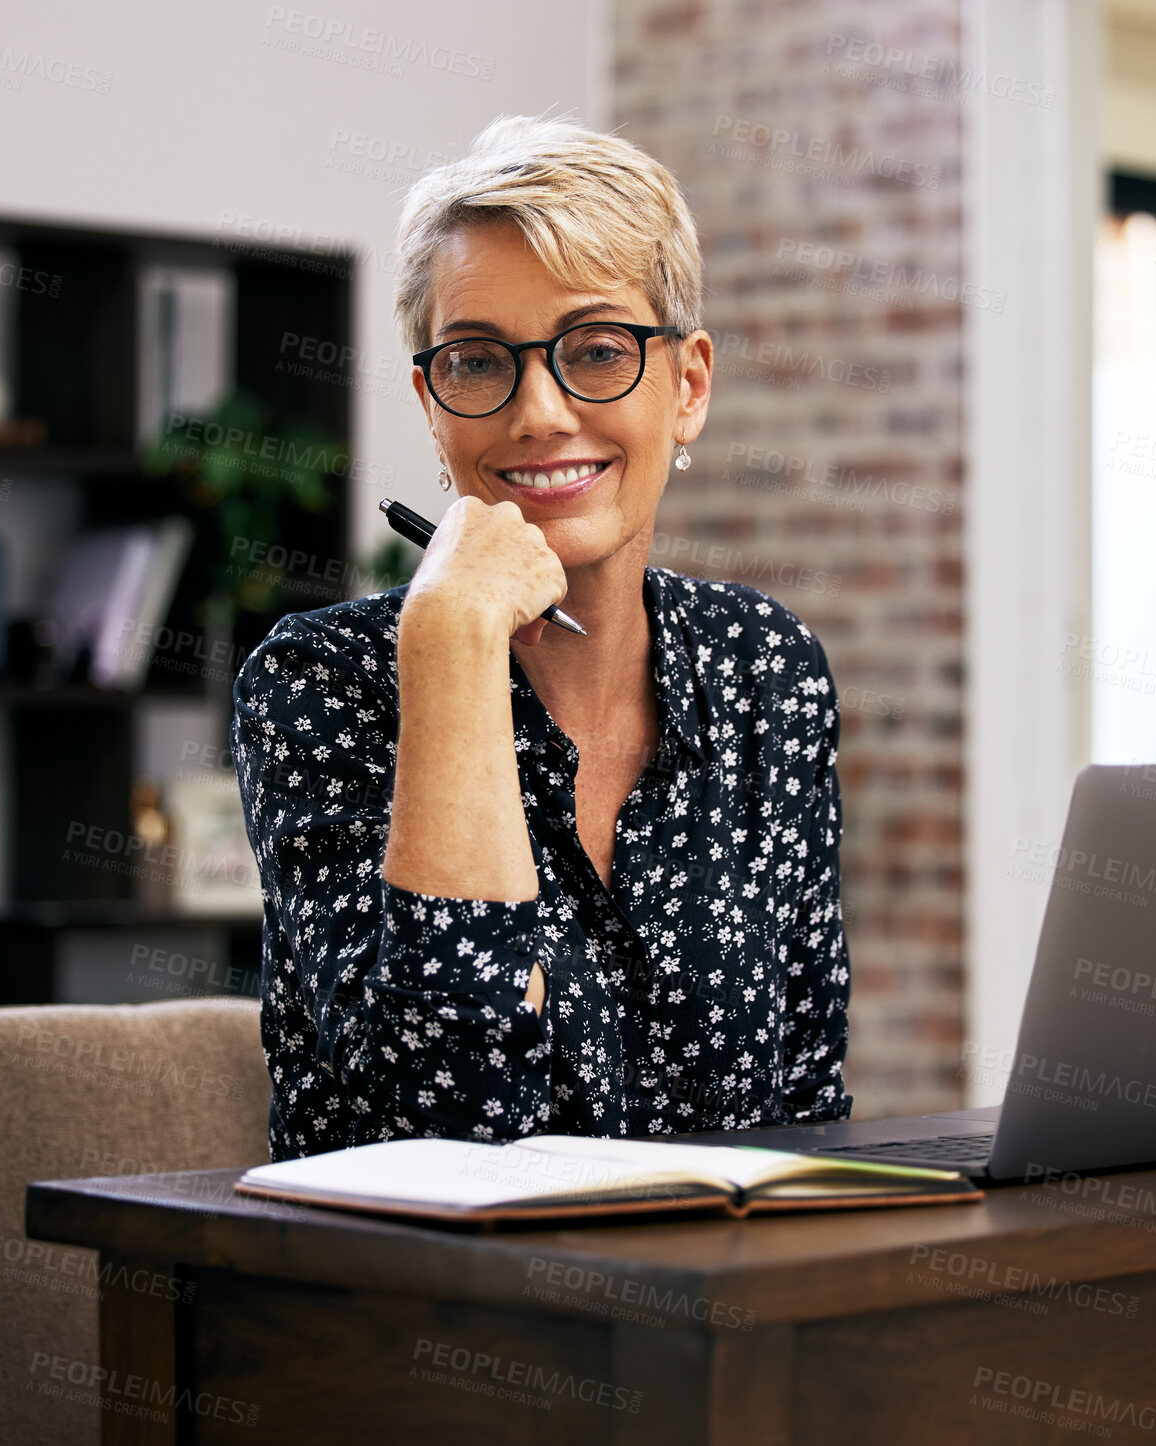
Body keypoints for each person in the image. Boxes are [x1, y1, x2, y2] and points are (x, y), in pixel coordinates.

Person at [232, 114, 852, 1162]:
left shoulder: (763, 667)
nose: (540, 411)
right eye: (477, 363)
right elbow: (445, 1122)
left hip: (717, 1301)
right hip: (416, 1308)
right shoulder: (318, 684)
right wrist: (454, 645)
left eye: (598, 351)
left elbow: (808, 1102)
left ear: (688, 385)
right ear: (433, 403)